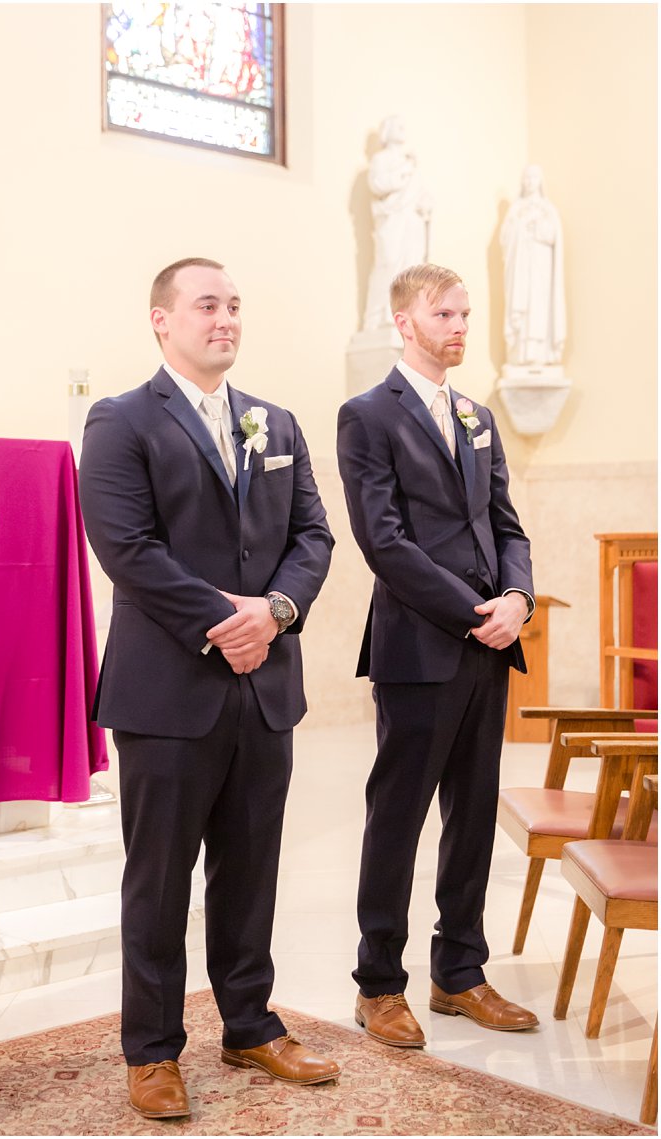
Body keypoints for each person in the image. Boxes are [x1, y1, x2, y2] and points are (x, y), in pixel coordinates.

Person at [77, 257, 336, 1121]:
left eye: (233, 305)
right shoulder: (119, 420)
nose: (224, 318)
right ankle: (150, 1049)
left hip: (265, 687)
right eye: (205, 305)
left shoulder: (278, 422)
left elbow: (313, 534)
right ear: (161, 319)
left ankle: (251, 1023)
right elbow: (126, 546)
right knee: (158, 876)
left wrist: (278, 610)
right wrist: (231, 620)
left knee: (253, 865)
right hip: (168, 690)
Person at [337, 263, 537, 1051]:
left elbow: (507, 525)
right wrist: (473, 613)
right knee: (399, 816)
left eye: (464, 313)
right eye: (443, 313)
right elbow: (382, 541)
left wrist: (517, 599)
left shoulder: (479, 416)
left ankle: (460, 971)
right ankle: (379, 984)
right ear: (403, 323)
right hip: (422, 646)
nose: (459, 326)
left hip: (491, 646)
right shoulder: (367, 416)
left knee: (474, 814)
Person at [362, 115, 434, 331]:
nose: (403, 129)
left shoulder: (413, 164)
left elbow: (422, 193)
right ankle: (379, 317)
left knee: (412, 268)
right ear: (388, 131)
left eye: (404, 126)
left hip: (412, 220)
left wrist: (426, 204)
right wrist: (404, 170)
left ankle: (409, 316)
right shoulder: (381, 159)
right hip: (392, 219)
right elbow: (377, 185)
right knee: (389, 263)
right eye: (398, 126)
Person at [501, 164, 566, 367]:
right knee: (523, 302)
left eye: (533, 178)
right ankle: (521, 352)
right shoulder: (516, 210)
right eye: (526, 178)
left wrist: (537, 225)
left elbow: (553, 236)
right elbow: (505, 239)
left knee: (539, 305)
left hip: (541, 265)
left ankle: (541, 352)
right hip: (521, 266)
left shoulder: (547, 210)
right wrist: (521, 226)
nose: (529, 182)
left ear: (540, 182)